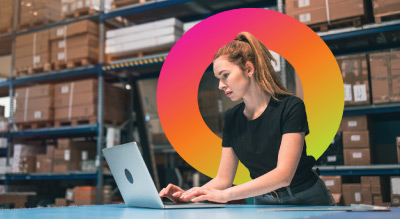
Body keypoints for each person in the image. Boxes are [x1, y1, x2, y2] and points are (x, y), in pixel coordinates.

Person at [159, 32, 336, 206]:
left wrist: (226, 195)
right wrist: (188, 196)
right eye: (218, 78)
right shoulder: (232, 118)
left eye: (225, 75)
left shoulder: (291, 107)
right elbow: (223, 179)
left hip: (307, 199)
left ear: (249, 69)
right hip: (265, 201)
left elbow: (284, 175)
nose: (221, 85)